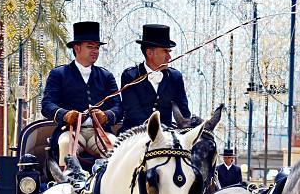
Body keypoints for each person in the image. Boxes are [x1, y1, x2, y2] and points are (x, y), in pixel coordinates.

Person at [41, 21, 122, 169]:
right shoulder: (58, 74)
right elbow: (47, 105)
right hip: (70, 131)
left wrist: (106, 116)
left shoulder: (106, 76)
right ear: (77, 48)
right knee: (66, 145)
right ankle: (65, 183)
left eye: (97, 47)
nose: (95, 51)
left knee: (115, 146)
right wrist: (66, 115)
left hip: (99, 132)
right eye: (90, 47)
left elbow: (118, 106)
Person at [120, 24, 190, 131]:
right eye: (165, 51)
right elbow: (134, 112)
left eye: (169, 52)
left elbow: (183, 110)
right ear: (149, 53)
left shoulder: (175, 77)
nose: (169, 57)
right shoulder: (130, 76)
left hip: (166, 136)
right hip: (136, 134)